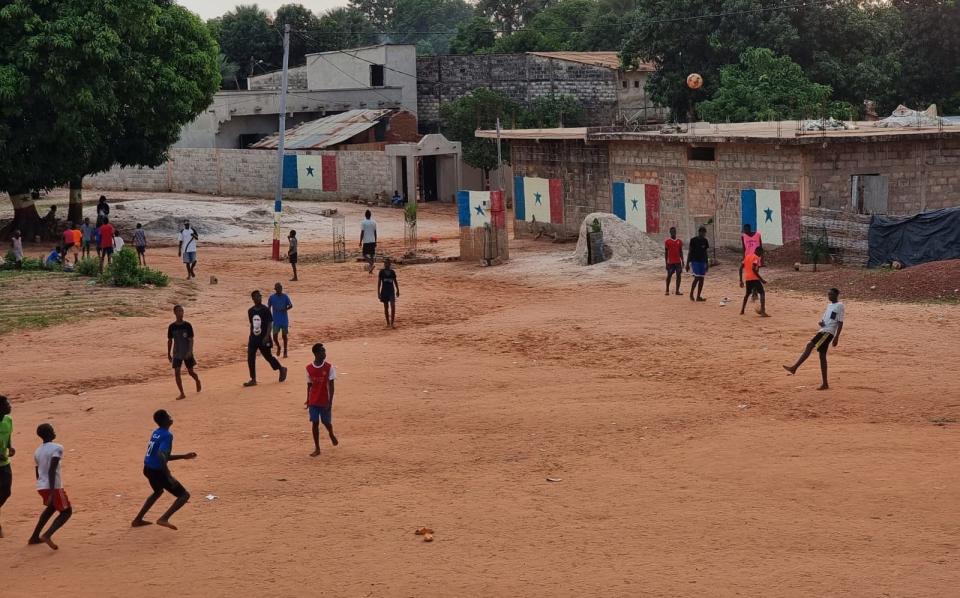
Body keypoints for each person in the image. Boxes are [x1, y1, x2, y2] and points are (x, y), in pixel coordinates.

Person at [132, 410, 197, 530]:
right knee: (184, 495)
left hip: (148, 468)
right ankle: (164, 518)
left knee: (158, 491)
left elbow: (162, 455)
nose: (171, 417)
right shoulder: (167, 435)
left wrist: (183, 456)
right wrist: (168, 474)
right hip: (158, 471)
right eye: (168, 416)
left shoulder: (156, 432)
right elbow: (162, 455)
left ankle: (137, 520)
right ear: (164, 421)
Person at [784, 288, 845, 390]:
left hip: (828, 332)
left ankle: (794, 368)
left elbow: (840, 322)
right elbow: (827, 318)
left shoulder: (840, 305)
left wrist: (836, 337)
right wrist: (822, 323)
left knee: (810, 345)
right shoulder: (829, 305)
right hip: (823, 330)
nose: (829, 296)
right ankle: (825, 383)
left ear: (836, 295)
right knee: (822, 356)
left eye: (831, 294)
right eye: (828, 294)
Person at [29, 423, 72, 550]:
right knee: (66, 512)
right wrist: (53, 491)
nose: (54, 431)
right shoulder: (57, 448)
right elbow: (52, 470)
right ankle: (47, 535)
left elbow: (37, 471)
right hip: (53, 486)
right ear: (49, 433)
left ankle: (34, 537)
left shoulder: (37, 451)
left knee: (51, 509)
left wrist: (43, 486)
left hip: (41, 486)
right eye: (52, 430)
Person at [244, 290, 287, 387]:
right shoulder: (250, 311)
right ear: (253, 298)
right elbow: (253, 325)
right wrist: (251, 336)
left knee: (268, 357)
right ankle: (253, 379)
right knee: (250, 358)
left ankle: (281, 368)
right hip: (253, 339)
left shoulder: (265, 310)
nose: (259, 298)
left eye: (259, 296)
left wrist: (267, 337)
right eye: (256, 296)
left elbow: (269, 324)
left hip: (264, 338)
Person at [305, 343, 338, 457]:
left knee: (326, 422)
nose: (324, 353)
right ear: (316, 353)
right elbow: (309, 385)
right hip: (314, 400)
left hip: (324, 400)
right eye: (322, 351)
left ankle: (331, 433)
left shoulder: (329, 367)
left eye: (324, 351)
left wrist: (330, 401)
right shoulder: (309, 369)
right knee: (315, 423)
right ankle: (317, 448)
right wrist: (307, 399)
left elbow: (331, 386)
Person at [168, 305, 202, 400]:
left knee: (191, 372)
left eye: (182, 311)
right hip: (177, 353)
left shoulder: (187, 325)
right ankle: (182, 393)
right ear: (174, 313)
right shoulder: (172, 327)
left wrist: (190, 351)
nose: (181, 313)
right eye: (178, 311)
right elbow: (170, 340)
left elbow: (191, 339)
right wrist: (168, 353)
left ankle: (197, 380)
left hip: (187, 352)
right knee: (177, 372)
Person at [739, 246, 769, 317]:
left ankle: (742, 310)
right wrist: (761, 280)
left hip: (747, 279)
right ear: (759, 251)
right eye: (761, 253)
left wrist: (740, 280)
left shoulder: (747, 256)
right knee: (762, 293)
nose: (761, 255)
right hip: (754, 278)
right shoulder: (756, 257)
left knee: (747, 294)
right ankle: (763, 312)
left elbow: (740, 268)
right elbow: (753, 268)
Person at [0, 396, 14, 539]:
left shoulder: (8, 420)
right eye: (6, 404)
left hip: (4, 463)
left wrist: (10, 447)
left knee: (6, 492)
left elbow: (8, 435)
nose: (10, 406)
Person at [268, 282, 293, 358]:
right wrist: (268, 316)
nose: (279, 290)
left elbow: (291, 305)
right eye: (278, 288)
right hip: (276, 320)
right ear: (275, 289)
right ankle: (279, 347)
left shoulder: (285, 296)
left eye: (280, 288)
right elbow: (268, 307)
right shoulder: (272, 297)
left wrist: (285, 309)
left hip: (284, 320)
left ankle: (285, 351)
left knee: (284, 336)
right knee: (274, 336)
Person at [686, 226, 710, 302]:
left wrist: (707, 263)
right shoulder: (693, 240)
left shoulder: (705, 241)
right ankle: (691, 294)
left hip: (702, 261)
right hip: (695, 261)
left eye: (704, 233)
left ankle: (698, 296)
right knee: (697, 278)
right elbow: (690, 252)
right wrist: (687, 263)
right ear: (699, 232)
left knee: (702, 279)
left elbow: (705, 253)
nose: (703, 234)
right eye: (702, 232)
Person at [742, 224, 763, 302]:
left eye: (746, 230)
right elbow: (744, 248)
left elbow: (761, 246)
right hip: (748, 259)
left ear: (749, 229)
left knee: (755, 275)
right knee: (751, 275)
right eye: (744, 230)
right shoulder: (743, 236)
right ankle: (753, 292)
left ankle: (754, 292)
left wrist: (762, 258)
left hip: (756, 258)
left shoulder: (757, 235)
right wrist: (743, 258)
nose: (745, 232)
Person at [378, 257, 399, 328]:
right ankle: (388, 323)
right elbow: (379, 283)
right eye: (385, 263)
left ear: (390, 264)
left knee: (393, 306)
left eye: (388, 263)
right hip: (384, 291)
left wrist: (398, 290)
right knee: (386, 307)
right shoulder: (381, 272)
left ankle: (392, 323)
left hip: (391, 291)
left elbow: (395, 281)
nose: (386, 264)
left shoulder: (392, 272)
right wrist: (378, 293)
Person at [664, 226, 684, 296]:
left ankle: (677, 291)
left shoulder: (679, 241)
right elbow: (666, 253)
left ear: (676, 232)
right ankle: (667, 290)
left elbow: (681, 251)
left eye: (674, 231)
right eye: (672, 232)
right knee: (669, 275)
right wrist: (666, 263)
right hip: (670, 262)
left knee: (679, 275)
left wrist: (683, 261)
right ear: (670, 232)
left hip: (678, 262)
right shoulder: (667, 241)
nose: (673, 233)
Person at [360, 210, 377, 274]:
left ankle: (371, 263)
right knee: (372, 255)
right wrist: (375, 241)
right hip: (372, 241)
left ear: (365, 215)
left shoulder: (363, 222)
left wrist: (360, 241)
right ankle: (371, 270)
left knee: (364, 254)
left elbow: (362, 232)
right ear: (370, 215)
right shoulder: (374, 222)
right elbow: (375, 232)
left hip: (366, 241)